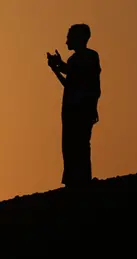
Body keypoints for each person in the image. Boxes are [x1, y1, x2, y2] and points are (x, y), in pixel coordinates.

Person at [47, 23, 102, 188]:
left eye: (69, 37)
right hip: (72, 108)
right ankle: (74, 179)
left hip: (81, 108)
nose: (66, 42)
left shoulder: (89, 57)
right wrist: (57, 69)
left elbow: (80, 78)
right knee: (71, 145)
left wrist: (60, 66)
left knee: (80, 144)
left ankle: (82, 180)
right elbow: (71, 82)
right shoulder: (75, 60)